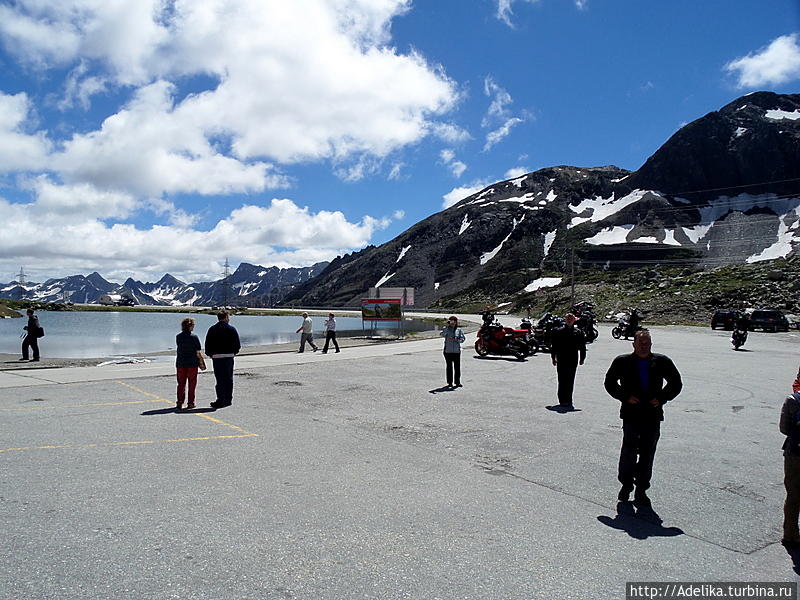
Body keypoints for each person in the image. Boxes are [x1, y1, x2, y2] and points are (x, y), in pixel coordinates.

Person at [604, 329, 682, 507]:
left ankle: (641, 489)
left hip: (652, 414)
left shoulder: (661, 361)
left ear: (651, 344)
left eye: (647, 343)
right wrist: (624, 396)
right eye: (640, 343)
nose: (643, 346)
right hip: (631, 413)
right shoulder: (622, 361)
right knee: (629, 451)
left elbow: (676, 382)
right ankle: (626, 484)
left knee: (647, 452)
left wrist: (662, 398)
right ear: (633, 344)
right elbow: (609, 382)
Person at [780, 368, 800, 547]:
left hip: (795, 452)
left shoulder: (793, 400)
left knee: (793, 494)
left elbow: (784, 429)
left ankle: (790, 534)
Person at [204, 310, 241, 409]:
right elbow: (237, 344)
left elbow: (207, 344)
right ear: (226, 317)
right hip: (229, 357)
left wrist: (210, 354)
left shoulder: (212, 329)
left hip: (217, 358)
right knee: (228, 379)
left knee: (219, 380)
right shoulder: (232, 329)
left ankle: (220, 400)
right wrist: (234, 352)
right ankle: (228, 400)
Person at [550, 313, 586, 409]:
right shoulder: (559, 331)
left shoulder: (578, 332)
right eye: (568, 318)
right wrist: (553, 357)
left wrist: (582, 358)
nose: (569, 320)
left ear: (574, 320)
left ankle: (568, 399)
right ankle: (562, 400)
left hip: (573, 358)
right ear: (565, 320)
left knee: (570, 379)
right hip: (562, 358)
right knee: (562, 379)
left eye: (571, 318)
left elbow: (582, 346)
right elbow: (554, 346)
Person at [175, 317, 202, 410]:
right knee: (192, 383)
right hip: (192, 363)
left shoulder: (178, 336)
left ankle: (179, 401)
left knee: (181, 383)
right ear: (190, 327)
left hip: (181, 363)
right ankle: (191, 402)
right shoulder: (194, 337)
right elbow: (198, 348)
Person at [440, 316, 466, 388]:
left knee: (457, 367)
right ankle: (449, 382)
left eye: (454, 321)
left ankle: (457, 382)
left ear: (456, 322)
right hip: (448, 351)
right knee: (449, 367)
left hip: (456, 351)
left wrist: (456, 339)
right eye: (451, 321)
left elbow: (463, 339)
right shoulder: (446, 329)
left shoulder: (459, 330)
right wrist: (446, 327)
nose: (452, 323)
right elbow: (442, 334)